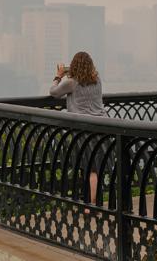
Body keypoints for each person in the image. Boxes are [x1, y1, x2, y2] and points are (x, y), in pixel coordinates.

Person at [49, 51, 105, 208]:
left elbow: (53, 92)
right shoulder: (97, 80)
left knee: (89, 168)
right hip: (102, 126)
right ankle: (94, 201)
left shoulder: (72, 82)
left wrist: (59, 76)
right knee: (96, 167)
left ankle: (91, 204)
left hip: (83, 129)